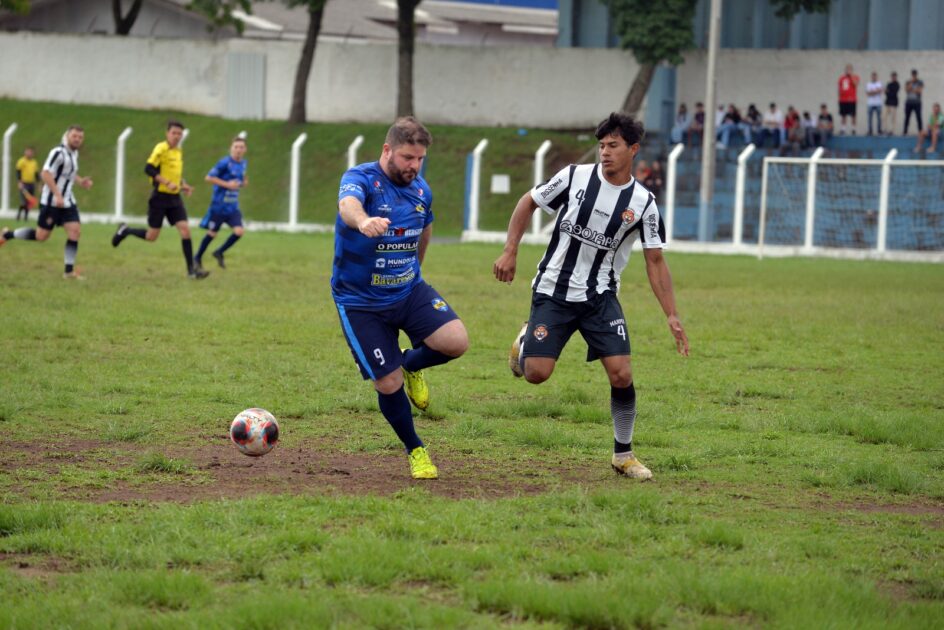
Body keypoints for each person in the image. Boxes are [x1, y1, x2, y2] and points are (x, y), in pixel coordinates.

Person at [492, 112, 689, 480]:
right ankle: (526, 340)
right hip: (553, 290)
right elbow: (527, 202)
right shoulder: (574, 177)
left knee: (621, 373)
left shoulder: (644, 203)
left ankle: (624, 455)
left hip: (601, 297)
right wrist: (510, 250)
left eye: (613, 145)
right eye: (601, 145)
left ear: (633, 149)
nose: (605, 152)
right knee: (536, 375)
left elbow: (656, 261)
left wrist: (671, 315)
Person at [332, 117, 469, 480]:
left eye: (420, 159)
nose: (414, 166)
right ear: (387, 150)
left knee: (456, 342)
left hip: (408, 289)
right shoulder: (361, 179)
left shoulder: (421, 190)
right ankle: (417, 450)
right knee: (387, 383)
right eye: (408, 157)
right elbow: (348, 205)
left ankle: (411, 363)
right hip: (360, 301)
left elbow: (426, 228)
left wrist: (416, 272)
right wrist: (362, 222)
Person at [111, 120, 209, 279]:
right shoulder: (161, 148)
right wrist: (166, 182)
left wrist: (183, 184)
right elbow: (148, 169)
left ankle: (191, 271)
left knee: (185, 230)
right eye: (174, 133)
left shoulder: (178, 151)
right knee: (152, 236)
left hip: (175, 198)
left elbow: (174, 173)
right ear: (167, 133)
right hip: (159, 198)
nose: (177, 136)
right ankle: (126, 230)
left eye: (179, 134)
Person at [0, 126, 93, 279]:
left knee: (75, 231)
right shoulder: (58, 152)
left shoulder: (73, 153)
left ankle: (68, 272)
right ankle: (7, 234)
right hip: (52, 202)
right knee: (41, 236)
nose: (77, 139)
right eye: (74, 136)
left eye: (80, 137)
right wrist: (57, 194)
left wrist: (81, 181)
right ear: (67, 136)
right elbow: (45, 173)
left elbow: (69, 173)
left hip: (68, 201)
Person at [195, 136, 248, 271]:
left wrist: (242, 184)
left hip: (233, 207)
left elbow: (239, 180)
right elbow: (208, 178)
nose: (238, 150)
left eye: (241, 147)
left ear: (245, 150)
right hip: (219, 206)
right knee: (212, 233)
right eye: (236, 147)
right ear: (231, 148)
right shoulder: (224, 163)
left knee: (239, 231)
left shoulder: (243, 163)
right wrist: (227, 184)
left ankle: (219, 251)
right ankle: (197, 257)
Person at [15, 146, 39, 222]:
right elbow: (18, 172)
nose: (29, 153)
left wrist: (39, 184)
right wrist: (19, 182)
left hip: (31, 184)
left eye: (31, 152)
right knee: (24, 201)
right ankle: (19, 215)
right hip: (24, 184)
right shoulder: (21, 161)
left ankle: (26, 217)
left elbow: (36, 174)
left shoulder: (34, 162)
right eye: (28, 151)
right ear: (25, 152)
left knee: (30, 202)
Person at [837, 64, 859, 135]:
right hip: (843, 100)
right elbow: (839, 88)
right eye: (847, 69)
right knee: (843, 115)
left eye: (849, 69)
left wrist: (851, 76)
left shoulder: (855, 77)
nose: (848, 71)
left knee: (853, 115)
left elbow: (855, 84)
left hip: (852, 100)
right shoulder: (841, 78)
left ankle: (853, 129)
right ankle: (843, 129)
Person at [903, 69, 924, 135]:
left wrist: (912, 89)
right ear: (911, 75)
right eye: (913, 74)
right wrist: (911, 84)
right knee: (907, 117)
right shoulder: (908, 82)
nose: (914, 76)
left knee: (919, 117)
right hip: (909, 102)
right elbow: (906, 90)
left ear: (916, 75)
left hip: (917, 103)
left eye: (915, 74)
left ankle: (920, 131)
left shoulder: (920, 82)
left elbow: (919, 91)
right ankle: (905, 131)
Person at [866, 71, 883, 136]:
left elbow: (880, 91)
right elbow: (868, 93)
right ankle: (870, 130)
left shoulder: (879, 83)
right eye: (873, 76)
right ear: (871, 77)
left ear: (876, 77)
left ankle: (879, 130)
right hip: (870, 103)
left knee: (879, 118)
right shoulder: (868, 84)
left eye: (875, 76)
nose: (874, 77)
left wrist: (872, 92)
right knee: (869, 118)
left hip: (878, 103)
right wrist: (876, 91)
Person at [884, 71, 900, 136]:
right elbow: (886, 92)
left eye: (894, 76)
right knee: (884, 117)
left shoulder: (897, 84)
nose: (893, 78)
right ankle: (885, 129)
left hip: (894, 103)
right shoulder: (889, 84)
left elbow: (894, 93)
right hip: (887, 102)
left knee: (893, 117)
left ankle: (892, 130)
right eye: (892, 76)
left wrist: (888, 91)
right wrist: (888, 91)